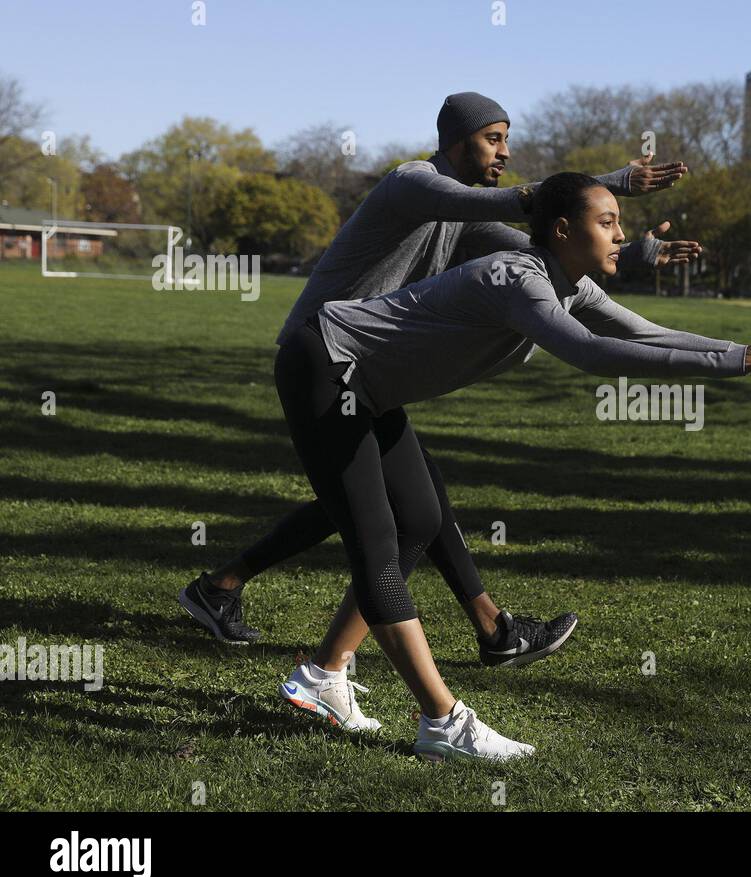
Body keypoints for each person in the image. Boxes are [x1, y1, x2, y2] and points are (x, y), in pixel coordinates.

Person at [271, 171, 751, 761]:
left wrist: (740, 356)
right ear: (563, 230)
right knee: (377, 543)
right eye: (608, 222)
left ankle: (322, 675)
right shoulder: (519, 280)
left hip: (366, 386)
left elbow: (644, 333)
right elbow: (591, 352)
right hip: (327, 367)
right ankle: (441, 721)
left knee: (419, 518)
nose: (621, 235)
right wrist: (732, 362)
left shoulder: (571, 286)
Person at [180, 93, 700, 729]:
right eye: (493, 138)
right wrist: (610, 182)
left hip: (370, 372)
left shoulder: (464, 220)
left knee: (409, 508)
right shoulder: (414, 184)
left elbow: (551, 247)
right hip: (326, 356)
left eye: (506, 138)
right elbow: (525, 207)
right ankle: (435, 662)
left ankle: (258, 610)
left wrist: (632, 253)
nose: (504, 152)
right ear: (457, 139)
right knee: (381, 516)